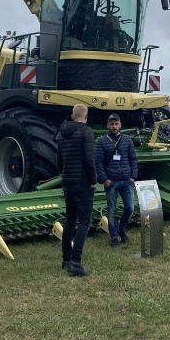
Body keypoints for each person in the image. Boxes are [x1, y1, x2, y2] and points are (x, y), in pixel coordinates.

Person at [56, 104, 97, 276]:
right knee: (84, 222)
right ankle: (76, 261)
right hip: (82, 182)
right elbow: (88, 159)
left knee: (70, 221)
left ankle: (66, 259)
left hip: (68, 181)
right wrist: (93, 180)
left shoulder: (62, 132)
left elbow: (59, 159)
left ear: (73, 116)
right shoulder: (86, 132)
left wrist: (65, 174)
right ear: (85, 117)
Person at [95, 113, 138, 246]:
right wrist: (104, 179)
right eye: (111, 124)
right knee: (111, 210)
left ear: (120, 125)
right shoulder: (102, 141)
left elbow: (133, 159)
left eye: (116, 124)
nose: (114, 126)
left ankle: (122, 230)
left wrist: (133, 176)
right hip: (111, 181)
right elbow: (98, 162)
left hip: (126, 181)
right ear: (108, 125)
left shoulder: (127, 140)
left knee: (130, 208)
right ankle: (114, 236)